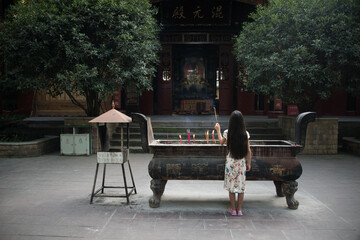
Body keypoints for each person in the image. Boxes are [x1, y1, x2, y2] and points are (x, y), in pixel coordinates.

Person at [215, 110, 251, 216]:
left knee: (231, 187)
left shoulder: (227, 132)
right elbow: (248, 150)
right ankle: (239, 210)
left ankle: (233, 209)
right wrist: (249, 163)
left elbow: (221, 142)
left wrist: (218, 130)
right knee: (240, 187)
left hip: (231, 162)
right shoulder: (245, 133)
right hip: (241, 162)